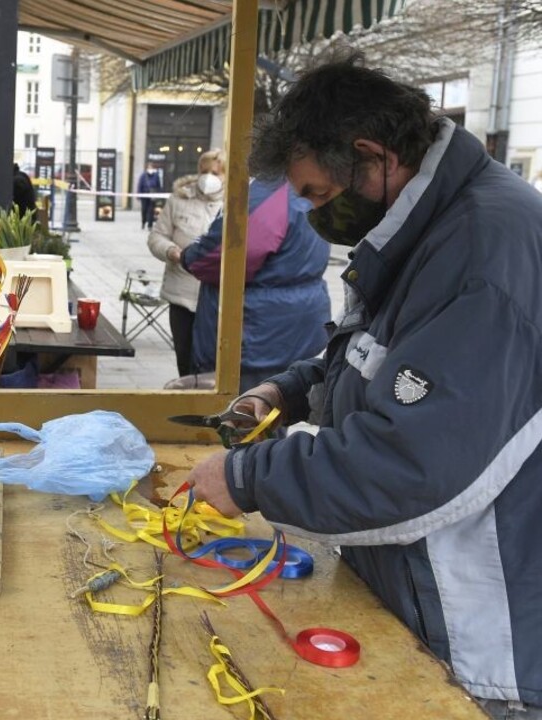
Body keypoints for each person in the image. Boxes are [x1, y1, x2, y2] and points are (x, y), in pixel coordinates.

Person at [186, 54, 542, 719]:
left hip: (484, 643)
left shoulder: (482, 252)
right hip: (411, 602)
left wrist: (246, 479)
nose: (310, 214)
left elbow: (411, 463)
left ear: (371, 156)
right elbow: (376, 358)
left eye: (317, 194)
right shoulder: (423, 225)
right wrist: (288, 393)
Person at [180, 177, 330, 392]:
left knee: (245, 415)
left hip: (256, 336)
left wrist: (189, 255)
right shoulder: (306, 185)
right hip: (294, 325)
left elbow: (222, 259)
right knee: (274, 408)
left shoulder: (268, 192)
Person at [146, 149, 225, 379]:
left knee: (211, 363)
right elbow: (156, 237)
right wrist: (171, 251)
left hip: (215, 299)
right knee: (185, 358)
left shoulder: (235, 203)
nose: (209, 177)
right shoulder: (179, 199)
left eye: (216, 173)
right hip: (181, 295)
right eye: (205, 171)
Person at [136, 161, 163, 230]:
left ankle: (150, 225)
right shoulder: (143, 176)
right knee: (144, 209)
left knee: (151, 210)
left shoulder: (156, 176)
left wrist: (159, 195)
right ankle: (143, 222)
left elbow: (158, 186)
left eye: (151, 167)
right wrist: (139, 195)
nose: (150, 169)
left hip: (152, 195)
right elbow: (140, 185)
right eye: (149, 168)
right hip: (144, 195)